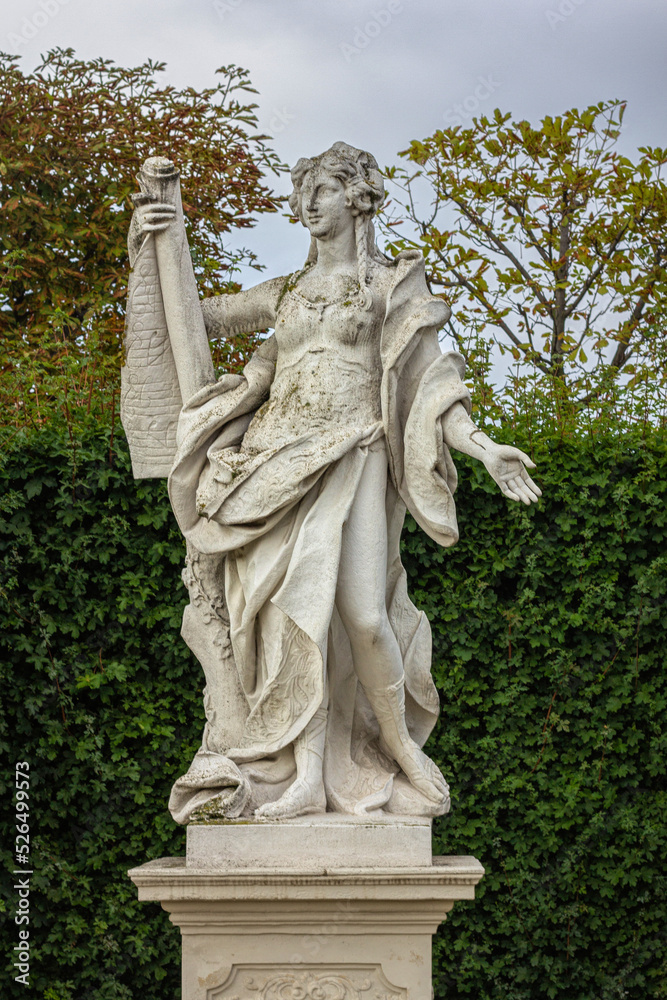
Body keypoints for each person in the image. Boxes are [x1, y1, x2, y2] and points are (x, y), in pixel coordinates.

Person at [126, 142, 540, 823]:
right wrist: (159, 243)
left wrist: (483, 447)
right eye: (303, 194)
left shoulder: (387, 288)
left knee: (366, 618)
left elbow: (431, 385)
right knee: (299, 620)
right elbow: (196, 321)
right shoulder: (284, 293)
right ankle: (305, 778)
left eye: (319, 190)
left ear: (357, 196)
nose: (306, 205)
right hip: (275, 463)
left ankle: (400, 748)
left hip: (355, 455)